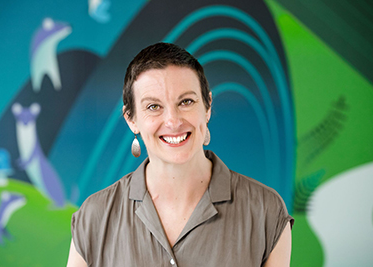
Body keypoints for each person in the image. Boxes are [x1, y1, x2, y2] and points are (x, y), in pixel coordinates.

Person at [67, 42, 293, 267]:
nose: (173, 122)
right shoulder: (94, 217)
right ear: (131, 120)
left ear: (207, 107)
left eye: (186, 102)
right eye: (153, 107)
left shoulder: (266, 212)